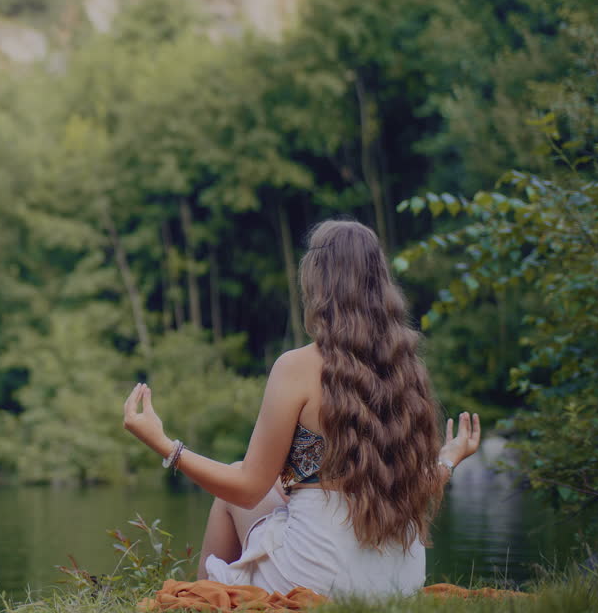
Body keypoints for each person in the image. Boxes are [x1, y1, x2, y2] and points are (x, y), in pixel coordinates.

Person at [122, 219, 482, 598]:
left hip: (321, 574)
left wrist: (166, 446)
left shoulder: (297, 366)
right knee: (281, 490)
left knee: (230, 490)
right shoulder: (409, 369)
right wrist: (449, 459)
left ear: (318, 283)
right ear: (381, 284)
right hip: (398, 580)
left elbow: (246, 489)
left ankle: (204, 599)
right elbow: (415, 489)